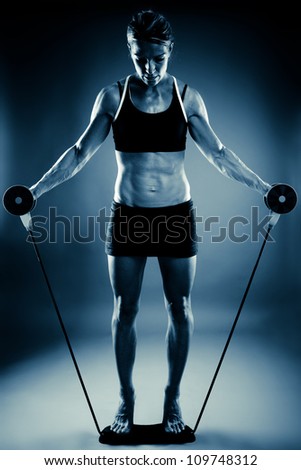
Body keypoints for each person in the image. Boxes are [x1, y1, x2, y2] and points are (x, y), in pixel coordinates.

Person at [29, 10, 272, 435]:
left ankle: (172, 402)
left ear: (170, 51)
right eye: (141, 57)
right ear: (130, 51)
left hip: (176, 216)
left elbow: (218, 154)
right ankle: (125, 404)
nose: (150, 67)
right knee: (125, 309)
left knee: (180, 308)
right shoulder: (112, 97)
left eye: (158, 57)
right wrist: (34, 192)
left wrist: (264, 188)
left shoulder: (188, 98)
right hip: (129, 217)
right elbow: (79, 153)